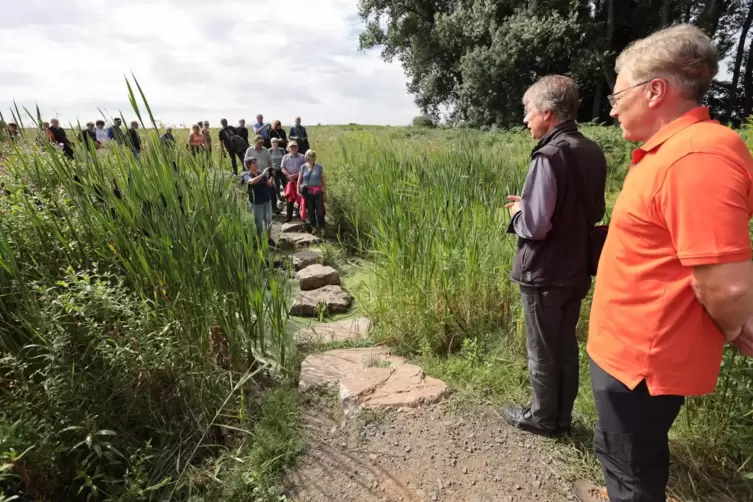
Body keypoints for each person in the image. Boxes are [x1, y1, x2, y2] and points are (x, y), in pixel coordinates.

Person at [574, 25, 753, 502]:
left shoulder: (697, 156)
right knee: (630, 461)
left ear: (655, 91)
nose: (611, 108)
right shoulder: (670, 152)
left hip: (641, 363)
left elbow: (728, 287)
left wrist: (736, 327)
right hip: (628, 354)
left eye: (618, 95)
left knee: (630, 474)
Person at [501, 75, 607, 439]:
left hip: (544, 272)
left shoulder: (549, 155)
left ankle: (542, 419)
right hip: (577, 268)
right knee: (564, 347)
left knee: (542, 350)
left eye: (528, 111)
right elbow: (591, 209)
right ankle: (561, 418)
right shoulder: (592, 150)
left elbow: (536, 226)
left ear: (548, 113)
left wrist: (518, 212)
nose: (526, 119)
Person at [241, 157, 276, 246]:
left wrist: (272, 176)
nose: (256, 164)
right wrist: (263, 173)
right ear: (249, 165)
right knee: (259, 223)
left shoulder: (260, 174)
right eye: (253, 163)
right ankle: (259, 241)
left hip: (267, 201)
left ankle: (269, 238)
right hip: (257, 203)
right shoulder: (246, 175)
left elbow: (270, 184)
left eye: (256, 162)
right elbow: (251, 182)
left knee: (268, 220)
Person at [245, 135, 277, 213]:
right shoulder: (250, 150)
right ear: (255, 142)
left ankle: (274, 208)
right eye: (259, 143)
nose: (260, 144)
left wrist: (271, 171)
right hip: (255, 175)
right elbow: (245, 162)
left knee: (272, 191)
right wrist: (249, 172)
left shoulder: (265, 150)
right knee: (258, 192)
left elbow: (270, 161)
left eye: (262, 142)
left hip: (265, 175)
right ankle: (257, 210)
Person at [297, 149, 326, 235]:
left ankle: (322, 228)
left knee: (319, 211)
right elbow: (299, 180)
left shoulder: (319, 167)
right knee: (310, 211)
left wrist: (324, 190)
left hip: (317, 192)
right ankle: (314, 227)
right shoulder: (302, 167)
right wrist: (298, 191)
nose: (312, 158)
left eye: (313, 156)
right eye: (310, 156)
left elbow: (323, 180)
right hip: (307, 193)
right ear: (307, 157)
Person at [280, 141, 306, 222]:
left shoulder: (302, 157)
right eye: (291, 147)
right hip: (289, 180)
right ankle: (289, 217)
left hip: (299, 179)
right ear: (288, 148)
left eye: (295, 146)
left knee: (300, 198)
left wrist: (295, 175)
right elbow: (282, 168)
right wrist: (289, 175)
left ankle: (301, 216)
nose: (293, 148)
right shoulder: (285, 157)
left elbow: (304, 168)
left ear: (297, 148)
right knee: (289, 198)